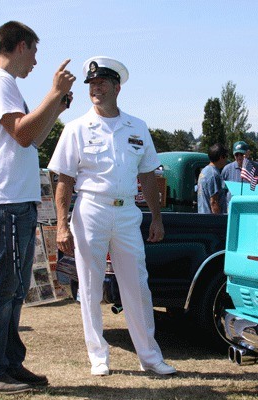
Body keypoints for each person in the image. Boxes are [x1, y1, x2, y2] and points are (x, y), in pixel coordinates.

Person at [49, 56, 176, 377]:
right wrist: (61, 225)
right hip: (90, 209)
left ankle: (149, 356)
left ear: (117, 86)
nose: (96, 88)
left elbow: (148, 175)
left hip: (127, 212)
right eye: (92, 83)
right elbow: (63, 180)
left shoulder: (137, 127)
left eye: (102, 82)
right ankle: (98, 356)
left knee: (138, 285)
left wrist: (157, 218)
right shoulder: (76, 128)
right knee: (90, 286)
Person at [0, 21, 74, 394]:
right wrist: (53, 93)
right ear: (19, 46)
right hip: (4, 202)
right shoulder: (0, 82)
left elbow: (32, 140)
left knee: (12, 289)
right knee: (2, 287)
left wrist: (56, 107)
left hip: (12, 201)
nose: (35, 59)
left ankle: (7, 364)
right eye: (33, 50)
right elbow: (24, 133)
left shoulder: (6, 85)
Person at [221, 141, 258, 206]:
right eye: (237, 154)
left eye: (241, 154)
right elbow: (222, 192)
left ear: (247, 154)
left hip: (251, 207)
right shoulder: (227, 169)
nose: (239, 157)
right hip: (232, 208)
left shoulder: (257, 168)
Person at [197, 143, 228, 214]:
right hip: (211, 221)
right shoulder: (214, 174)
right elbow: (213, 202)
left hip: (202, 216)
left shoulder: (204, 171)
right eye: (226, 156)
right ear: (221, 157)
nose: (226, 159)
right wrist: (219, 221)